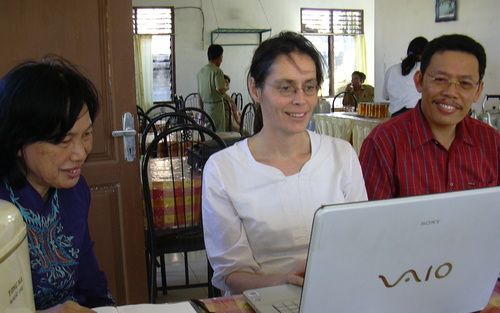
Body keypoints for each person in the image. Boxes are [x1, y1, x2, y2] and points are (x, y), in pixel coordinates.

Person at [202, 31, 367, 295]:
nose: (300, 99)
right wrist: (285, 282)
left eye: (309, 87)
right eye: (286, 88)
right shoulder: (224, 169)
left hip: (337, 294)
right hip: (262, 299)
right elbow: (232, 273)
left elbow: (362, 241)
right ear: (255, 89)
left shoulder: (341, 155)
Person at [0, 57, 114, 312]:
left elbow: (88, 277)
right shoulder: (2, 210)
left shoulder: (74, 191)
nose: (80, 153)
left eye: (86, 134)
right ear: (18, 141)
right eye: (64, 140)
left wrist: (106, 308)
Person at [359, 34, 499, 200]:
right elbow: (371, 222)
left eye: (465, 83)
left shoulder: (491, 142)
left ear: (478, 91)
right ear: (419, 81)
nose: (451, 92)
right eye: (440, 79)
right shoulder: (384, 143)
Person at [383, 36, 429, 117]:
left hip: (396, 119)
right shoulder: (426, 69)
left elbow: (385, 96)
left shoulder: (391, 70)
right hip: (419, 117)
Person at [197, 44, 227, 131]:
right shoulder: (217, 71)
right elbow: (220, 89)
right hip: (216, 107)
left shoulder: (200, 72)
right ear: (219, 57)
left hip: (205, 107)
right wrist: (227, 87)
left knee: (207, 133)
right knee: (218, 134)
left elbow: (199, 94)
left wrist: (201, 111)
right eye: (221, 57)